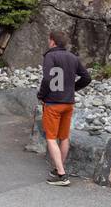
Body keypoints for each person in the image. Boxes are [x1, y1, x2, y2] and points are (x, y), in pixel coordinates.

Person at [37, 30, 91, 186]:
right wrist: (72, 88)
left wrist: (41, 95)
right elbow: (87, 78)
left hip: (53, 103)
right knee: (64, 137)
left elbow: (47, 78)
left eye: (49, 40)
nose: (48, 42)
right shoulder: (73, 57)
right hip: (68, 103)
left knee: (51, 138)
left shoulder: (50, 56)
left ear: (52, 41)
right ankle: (57, 169)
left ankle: (61, 174)